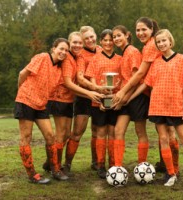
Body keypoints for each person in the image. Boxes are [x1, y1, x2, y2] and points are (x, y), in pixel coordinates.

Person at [129, 29, 183, 186]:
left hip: (176, 106)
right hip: (157, 106)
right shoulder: (155, 62)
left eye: (164, 40)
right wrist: (129, 97)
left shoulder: (181, 59)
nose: (161, 44)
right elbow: (146, 84)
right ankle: (171, 174)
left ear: (170, 41)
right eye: (158, 42)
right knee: (163, 139)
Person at [113, 17, 179, 174]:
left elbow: (140, 74)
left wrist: (124, 93)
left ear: (151, 30)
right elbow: (146, 78)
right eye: (138, 30)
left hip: (161, 93)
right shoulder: (147, 47)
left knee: (167, 132)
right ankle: (165, 165)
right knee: (163, 132)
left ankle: (172, 168)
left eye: (144, 29)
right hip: (152, 92)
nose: (140, 33)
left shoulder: (150, 45)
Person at [42, 33, 103, 175]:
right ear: (69, 44)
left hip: (69, 99)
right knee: (61, 134)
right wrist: (90, 93)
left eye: (80, 43)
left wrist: (90, 93)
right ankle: (54, 166)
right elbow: (68, 83)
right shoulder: (68, 59)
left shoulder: (78, 57)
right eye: (75, 43)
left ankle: (51, 162)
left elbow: (77, 81)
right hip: (59, 98)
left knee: (65, 134)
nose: (78, 45)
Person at [14, 38, 69, 184]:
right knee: (26, 137)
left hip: (41, 105)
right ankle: (32, 174)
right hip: (26, 101)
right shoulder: (42, 57)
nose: (63, 52)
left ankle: (55, 169)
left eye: (66, 50)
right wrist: (22, 91)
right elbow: (22, 74)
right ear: (53, 49)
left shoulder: (59, 70)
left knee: (50, 136)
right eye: (61, 49)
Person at [85, 29, 122, 178]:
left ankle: (113, 164)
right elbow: (92, 80)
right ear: (100, 42)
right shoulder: (95, 59)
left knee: (112, 132)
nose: (108, 43)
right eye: (105, 40)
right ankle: (100, 165)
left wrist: (117, 96)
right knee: (101, 132)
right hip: (99, 101)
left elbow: (123, 80)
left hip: (115, 101)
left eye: (110, 40)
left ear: (114, 41)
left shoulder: (120, 59)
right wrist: (100, 96)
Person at [111, 25, 149, 167]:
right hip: (124, 97)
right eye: (114, 37)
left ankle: (142, 166)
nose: (116, 39)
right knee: (118, 130)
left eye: (119, 35)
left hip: (136, 96)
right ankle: (118, 167)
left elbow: (136, 78)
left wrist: (126, 97)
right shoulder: (123, 54)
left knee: (140, 131)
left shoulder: (132, 51)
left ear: (127, 35)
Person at [68, 26, 103, 171]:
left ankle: (96, 162)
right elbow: (80, 79)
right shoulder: (81, 55)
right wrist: (94, 88)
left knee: (97, 130)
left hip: (100, 96)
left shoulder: (102, 50)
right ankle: (67, 164)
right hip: (84, 96)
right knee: (78, 132)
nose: (90, 40)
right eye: (86, 38)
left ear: (95, 35)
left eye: (91, 36)